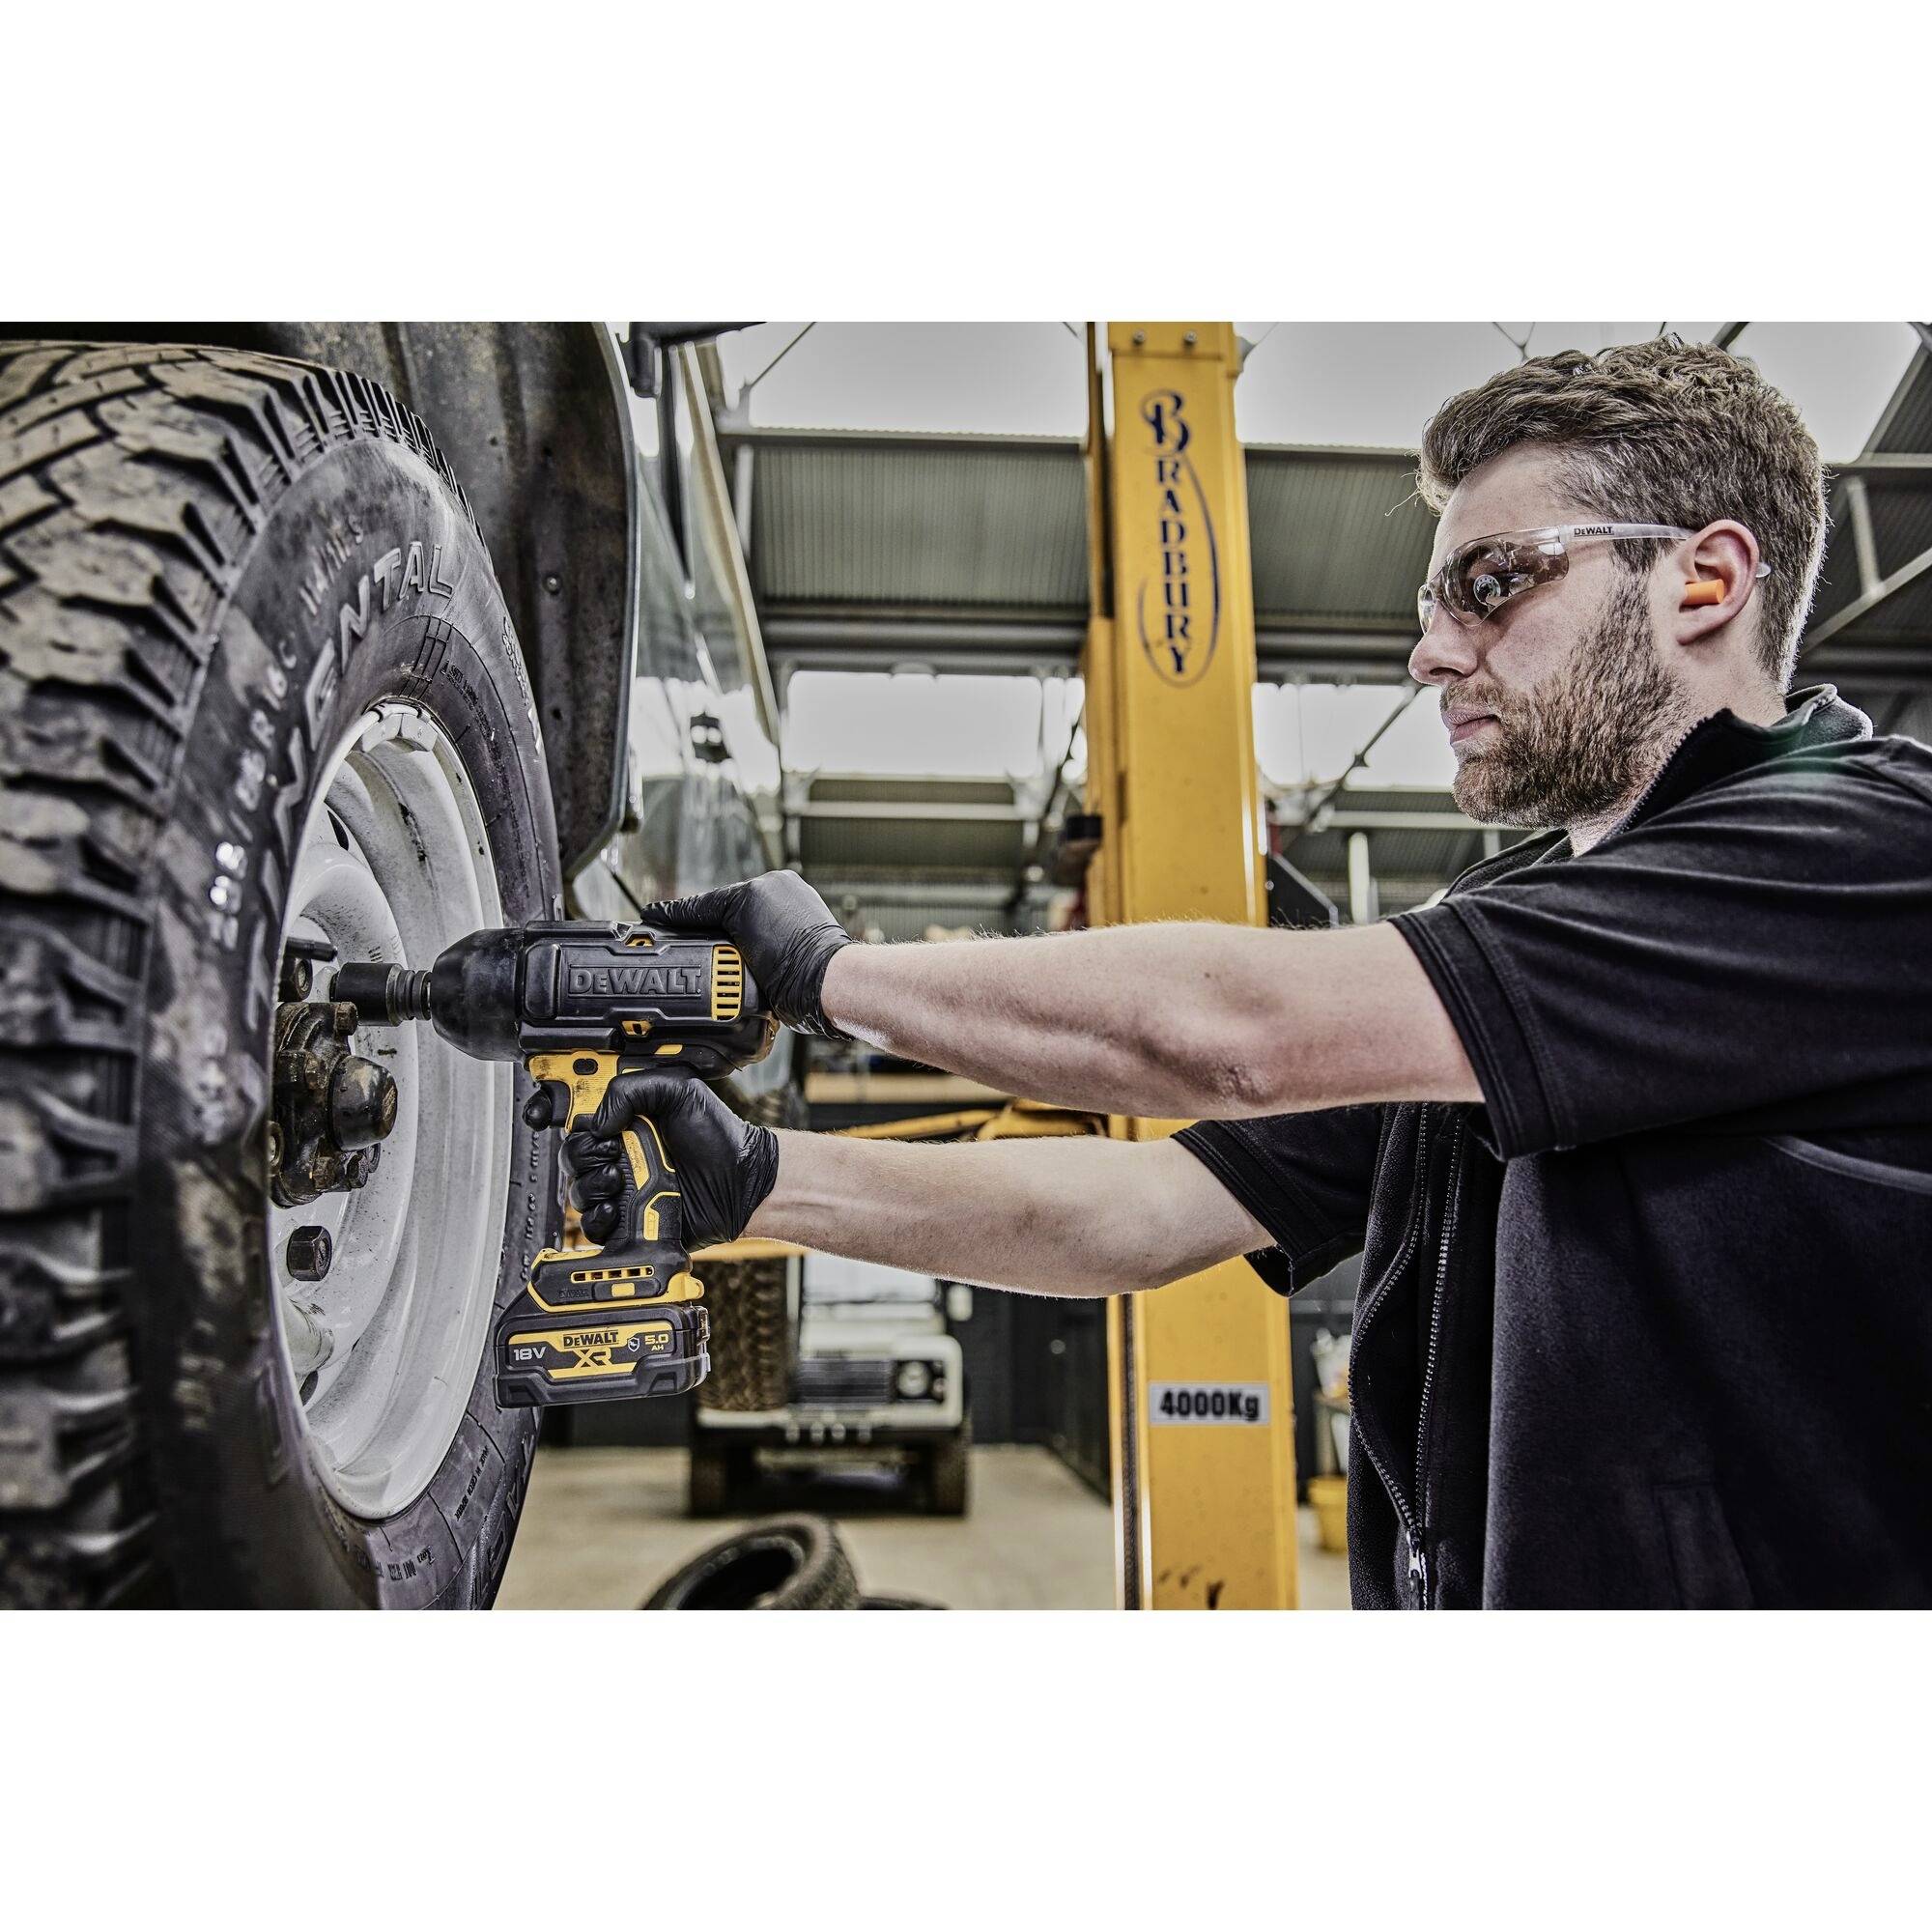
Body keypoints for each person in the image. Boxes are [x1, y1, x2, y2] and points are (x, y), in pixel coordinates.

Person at [536, 339, 1932, 1609]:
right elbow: (1150, 1206)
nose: (1431, 647)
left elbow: (1230, 1035)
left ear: (1704, 579)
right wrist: (767, 1180)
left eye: (1492, 583)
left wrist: (824, 975)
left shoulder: (1863, 856)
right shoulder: (1523, 932)